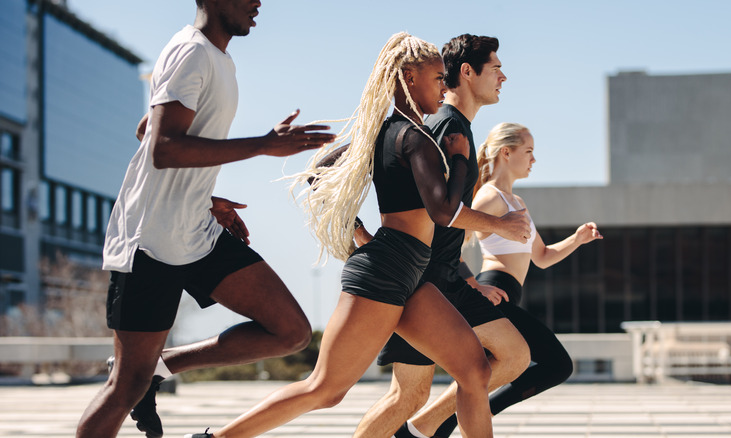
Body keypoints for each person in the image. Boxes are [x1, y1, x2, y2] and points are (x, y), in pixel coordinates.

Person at [184, 31, 531, 438]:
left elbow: (321, 170)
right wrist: (458, 162)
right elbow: (443, 211)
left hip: (412, 275)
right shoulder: (413, 136)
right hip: (383, 274)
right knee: (326, 389)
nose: (443, 86)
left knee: (473, 371)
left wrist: (364, 234)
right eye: (437, 78)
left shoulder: (388, 133)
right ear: (408, 78)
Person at [75, 1, 337, 437]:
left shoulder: (218, 60)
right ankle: (142, 374)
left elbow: (147, 131)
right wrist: (264, 145)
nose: (258, 3)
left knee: (290, 331)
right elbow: (162, 148)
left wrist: (204, 195)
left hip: (196, 230)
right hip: (151, 240)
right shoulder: (191, 51)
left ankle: (162, 366)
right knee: (125, 386)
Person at [354, 34, 532, 438]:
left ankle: (420, 428)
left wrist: (467, 277)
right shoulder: (444, 126)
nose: (504, 76)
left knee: (409, 395)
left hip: (438, 276)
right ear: (467, 72)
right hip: (426, 280)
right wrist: (502, 227)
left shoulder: (454, 126)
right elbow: (438, 212)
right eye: (496, 67)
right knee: (508, 357)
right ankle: (422, 427)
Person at [430, 122, 604, 436]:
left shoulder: (517, 202)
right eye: (529, 152)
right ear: (506, 153)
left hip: (509, 293)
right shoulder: (489, 198)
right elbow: (448, 246)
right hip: (494, 292)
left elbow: (542, 257)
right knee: (557, 365)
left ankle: (439, 425)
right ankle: (453, 419)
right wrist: (474, 285)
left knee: (481, 376)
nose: (534, 160)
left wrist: (577, 239)